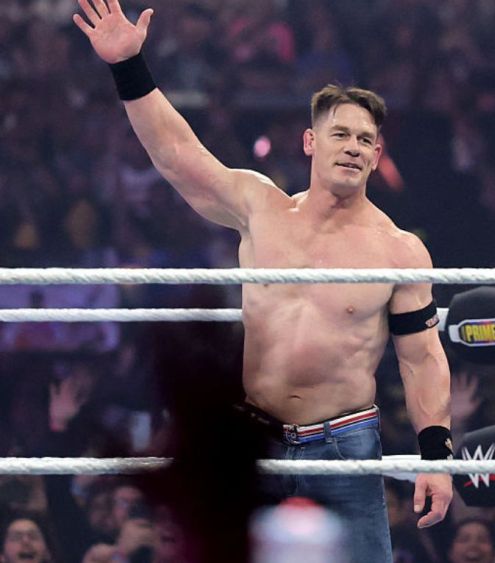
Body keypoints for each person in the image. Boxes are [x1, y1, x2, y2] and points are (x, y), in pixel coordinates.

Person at [72, 1, 454, 561]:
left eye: (364, 139)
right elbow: (177, 155)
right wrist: (129, 66)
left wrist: (436, 457)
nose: (352, 147)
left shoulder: (400, 251)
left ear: (377, 155)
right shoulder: (261, 208)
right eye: (340, 134)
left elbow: (422, 359)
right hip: (256, 437)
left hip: (345, 444)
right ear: (310, 142)